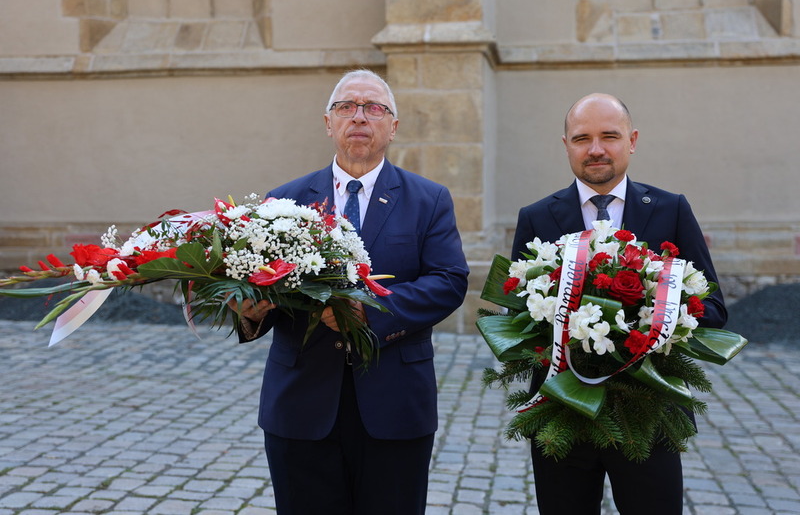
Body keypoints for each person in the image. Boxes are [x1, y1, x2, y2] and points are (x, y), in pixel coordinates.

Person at [233, 69, 469, 515]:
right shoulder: (284, 201)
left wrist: (370, 312)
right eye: (346, 107)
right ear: (328, 122)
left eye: (374, 108)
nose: (359, 117)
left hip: (395, 403)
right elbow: (257, 290)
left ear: (393, 126)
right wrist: (249, 311)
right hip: (301, 405)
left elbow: (449, 280)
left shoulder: (428, 199)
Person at [511, 93, 727, 515]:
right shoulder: (536, 217)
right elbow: (514, 316)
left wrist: (652, 317)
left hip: (650, 413)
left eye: (609, 136)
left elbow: (714, 306)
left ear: (632, 140)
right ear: (566, 144)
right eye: (582, 138)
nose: (595, 149)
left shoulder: (670, 209)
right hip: (562, 412)